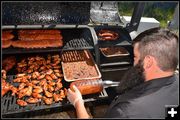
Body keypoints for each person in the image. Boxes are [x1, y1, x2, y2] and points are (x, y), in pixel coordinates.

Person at [67, 27, 179, 118]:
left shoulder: (127, 111)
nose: (133, 62)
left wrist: (78, 103)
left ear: (148, 62)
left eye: (135, 57)